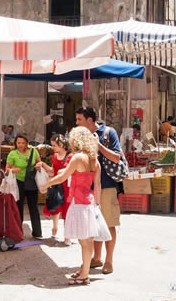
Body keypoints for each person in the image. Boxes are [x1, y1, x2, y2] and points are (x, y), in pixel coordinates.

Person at [39, 126, 110, 286]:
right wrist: (97, 205)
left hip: (78, 203)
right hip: (89, 202)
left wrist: (47, 184)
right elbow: (97, 185)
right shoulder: (94, 160)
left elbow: (63, 177)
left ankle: (85, 275)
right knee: (87, 240)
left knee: (84, 241)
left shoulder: (78, 158)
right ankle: (84, 269)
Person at [76, 107, 121, 275]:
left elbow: (116, 157)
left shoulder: (109, 133)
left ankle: (109, 260)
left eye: (79, 119)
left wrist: (98, 145)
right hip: (88, 187)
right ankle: (97, 257)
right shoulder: (81, 137)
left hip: (107, 186)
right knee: (92, 224)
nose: (77, 123)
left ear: (89, 120)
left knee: (109, 223)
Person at [36, 133, 72, 245]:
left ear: (61, 144)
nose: (52, 148)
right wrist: (42, 164)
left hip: (67, 186)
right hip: (57, 184)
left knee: (67, 211)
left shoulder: (71, 157)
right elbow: (52, 171)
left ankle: (67, 236)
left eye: (54, 145)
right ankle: (55, 227)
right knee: (55, 207)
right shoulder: (55, 157)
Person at [5, 133, 42, 239]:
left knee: (33, 207)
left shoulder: (34, 151)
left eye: (23, 143)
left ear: (27, 143)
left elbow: (40, 163)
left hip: (31, 182)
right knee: (18, 207)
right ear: (15, 143)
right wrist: (12, 170)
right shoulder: (12, 154)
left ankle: (37, 232)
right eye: (18, 143)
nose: (20, 145)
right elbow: (7, 169)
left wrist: (38, 165)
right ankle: (18, 232)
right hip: (18, 182)